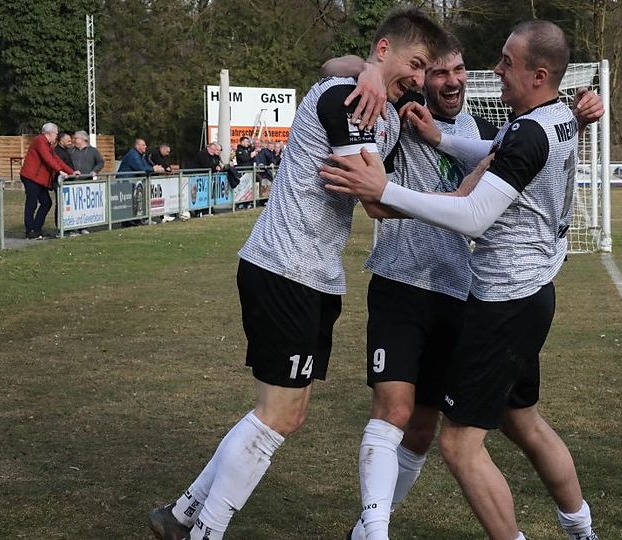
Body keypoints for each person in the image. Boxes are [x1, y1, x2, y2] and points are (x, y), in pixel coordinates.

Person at [147, 9, 448, 540]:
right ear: (385, 49)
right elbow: (375, 200)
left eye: (427, 70)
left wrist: (371, 72)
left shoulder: (374, 100)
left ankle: (182, 514)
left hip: (313, 276)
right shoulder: (346, 99)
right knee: (278, 414)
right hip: (286, 269)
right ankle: (205, 530)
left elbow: (337, 62)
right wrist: (464, 203)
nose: (420, 79)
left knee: (285, 413)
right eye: (416, 64)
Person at [321, 20, 602, 540]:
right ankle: (582, 529)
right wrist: (377, 77)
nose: (495, 71)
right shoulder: (556, 118)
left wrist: (385, 190)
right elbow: (499, 150)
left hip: (502, 301)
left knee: (458, 444)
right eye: (438, 71)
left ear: (539, 75)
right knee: (522, 422)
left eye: (507, 63)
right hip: (522, 291)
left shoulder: (527, 132)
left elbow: (474, 215)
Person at [19, 123, 78, 240]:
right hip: (31, 177)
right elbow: (47, 158)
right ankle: (30, 231)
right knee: (32, 203)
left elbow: (56, 159)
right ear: (50, 133)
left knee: (46, 202)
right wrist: (59, 171)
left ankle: (37, 229)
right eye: (56, 134)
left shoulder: (48, 145)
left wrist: (71, 172)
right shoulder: (40, 140)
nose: (56, 136)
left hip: (39, 179)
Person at [69, 131, 105, 235]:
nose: (74, 140)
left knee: (83, 205)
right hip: (72, 182)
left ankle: (83, 227)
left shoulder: (93, 151)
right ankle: (71, 228)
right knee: (72, 206)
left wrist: (95, 171)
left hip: (86, 182)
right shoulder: (70, 151)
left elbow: (100, 162)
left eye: (76, 138)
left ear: (83, 139)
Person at [52, 132, 74, 235]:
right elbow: (59, 166)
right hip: (61, 182)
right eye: (68, 141)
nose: (70, 143)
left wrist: (72, 172)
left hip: (67, 182)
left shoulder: (65, 151)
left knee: (66, 206)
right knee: (61, 205)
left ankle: (67, 226)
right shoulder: (57, 152)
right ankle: (61, 227)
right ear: (61, 141)